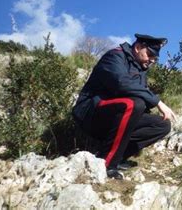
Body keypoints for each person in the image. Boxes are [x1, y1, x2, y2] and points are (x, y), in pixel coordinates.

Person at [72, 33, 176, 179]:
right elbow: (122, 83)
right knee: (133, 104)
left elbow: (140, 97)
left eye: (155, 58)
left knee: (162, 125)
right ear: (138, 47)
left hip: (116, 116)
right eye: (150, 54)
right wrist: (158, 102)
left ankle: (117, 155)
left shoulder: (140, 70)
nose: (152, 60)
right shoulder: (115, 57)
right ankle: (107, 163)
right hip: (91, 112)